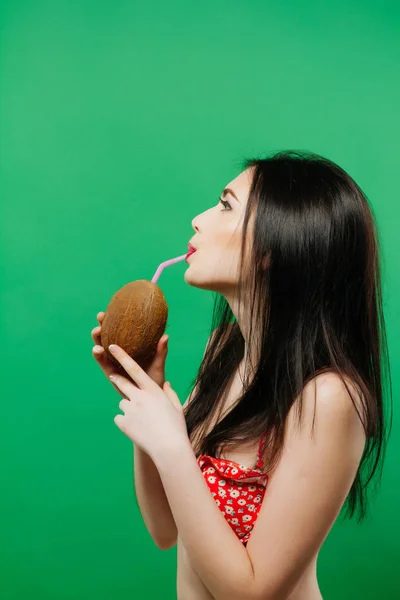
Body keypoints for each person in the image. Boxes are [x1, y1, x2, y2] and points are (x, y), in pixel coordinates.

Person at [177, 149, 392, 599]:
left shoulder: (330, 397)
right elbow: (164, 526)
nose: (199, 219)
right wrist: (148, 389)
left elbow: (253, 594)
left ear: (273, 249)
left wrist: (167, 438)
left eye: (225, 205)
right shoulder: (224, 350)